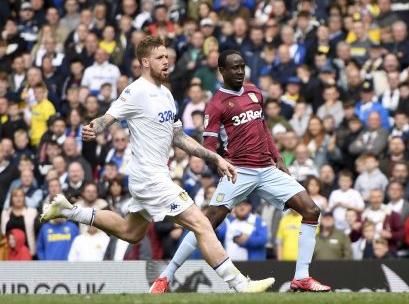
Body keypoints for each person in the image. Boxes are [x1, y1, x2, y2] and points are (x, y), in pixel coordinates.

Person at [41, 37, 272, 293]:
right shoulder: (136, 90)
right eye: (161, 57)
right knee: (202, 224)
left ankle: (70, 211)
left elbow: (179, 138)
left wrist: (215, 157)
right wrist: (94, 127)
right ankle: (240, 284)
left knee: (131, 232)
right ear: (145, 62)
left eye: (167, 56)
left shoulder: (166, 94)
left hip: (151, 177)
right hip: (150, 178)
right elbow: (109, 116)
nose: (167, 61)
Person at [152, 50, 330, 292]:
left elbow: (263, 127)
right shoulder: (216, 104)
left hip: (267, 169)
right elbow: (209, 145)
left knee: (311, 210)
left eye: (242, 66)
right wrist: (219, 163)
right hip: (239, 171)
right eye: (233, 68)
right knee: (206, 223)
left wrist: (277, 158)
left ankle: (302, 277)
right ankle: (166, 275)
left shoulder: (255, 92)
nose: (239, 71)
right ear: (222, 71)